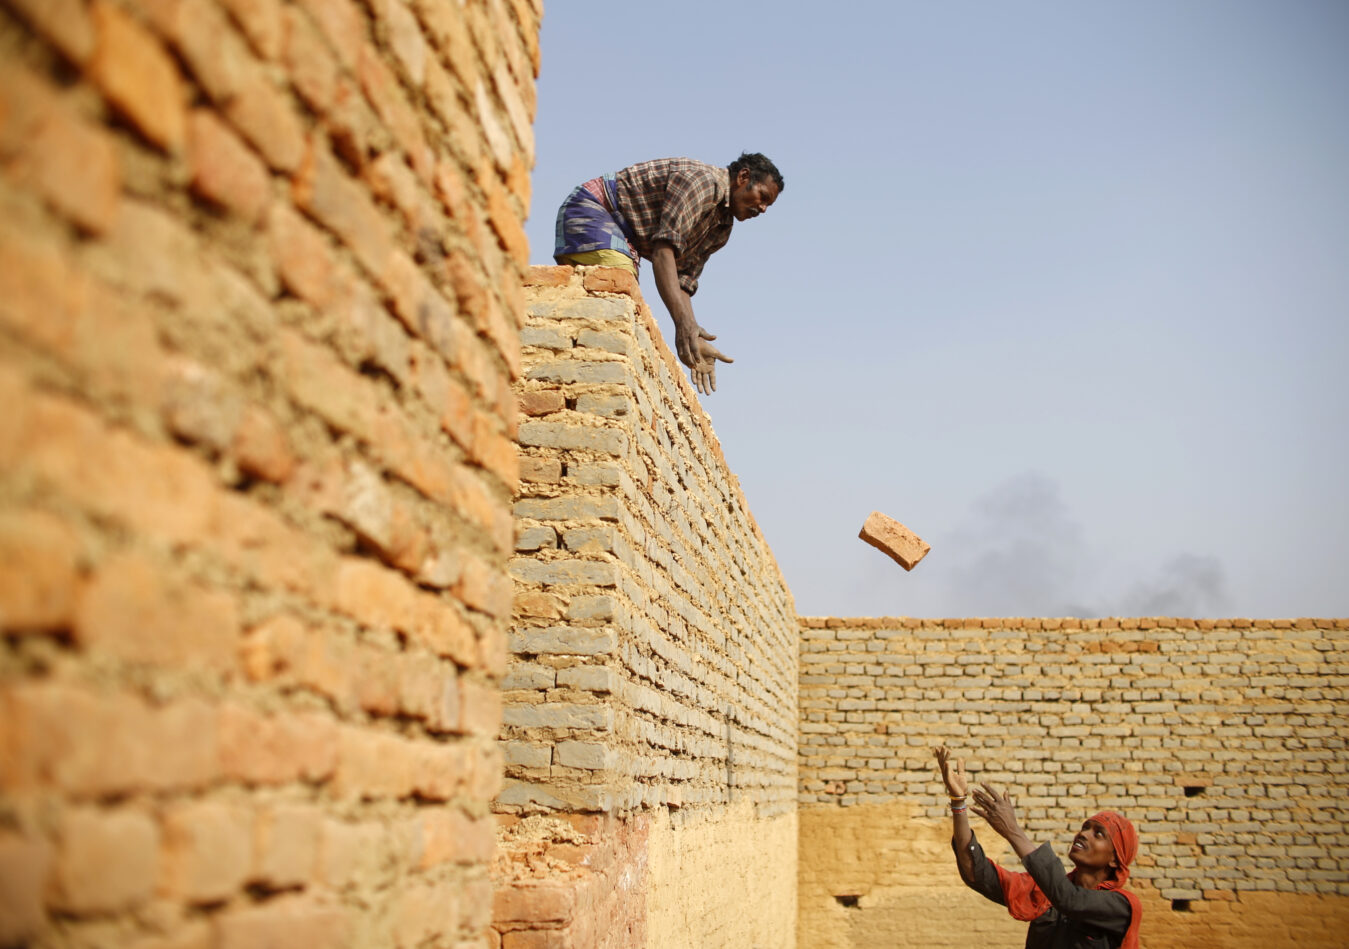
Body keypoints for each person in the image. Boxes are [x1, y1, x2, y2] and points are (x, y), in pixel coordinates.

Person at [553, 153, 784, 397]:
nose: (763, 208)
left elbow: (682, 279)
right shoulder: (703, 183)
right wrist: (682, 323)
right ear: (743, 177)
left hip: (622, 237)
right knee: (619, 295)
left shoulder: (721, 229)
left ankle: (571, 388)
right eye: (763, 197)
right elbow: (664, 252)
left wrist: (691, 335)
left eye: (768, 204)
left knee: (609, 310)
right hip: (594, 209)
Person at [934, 746, 1143, 949]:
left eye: (1098, 834)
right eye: (1085, 827)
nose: (1083, 834)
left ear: (1115, 859)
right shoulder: (1043, 893)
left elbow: (1069, 900)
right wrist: (958, 803)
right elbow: (975, 872)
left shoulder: (1121, 907)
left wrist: (1013, 831)